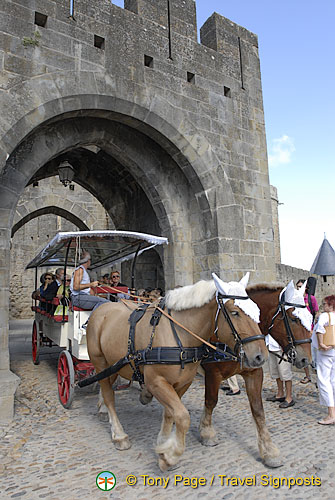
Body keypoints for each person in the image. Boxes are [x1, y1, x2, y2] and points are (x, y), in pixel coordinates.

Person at [313, 295, 335, 425]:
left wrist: (321, 343)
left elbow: (320, 329)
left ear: (331, 305)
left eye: (325, 304)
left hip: (326, 352)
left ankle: (331, 414)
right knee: (333, 380)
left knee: (324, 380)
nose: (324, 306)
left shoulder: (325, 316)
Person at [296, 279, 319, 384]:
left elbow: (316, 313)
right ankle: (307, 376)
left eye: (300, 286)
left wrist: (313, 328)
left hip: (310, 330)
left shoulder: (311, 298)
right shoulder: (296, 299)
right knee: (303, 353)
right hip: (300, 332)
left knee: (315, 354)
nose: (299, 288)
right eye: (297, 286)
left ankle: (318, 377)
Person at [265, 333, 295, 408]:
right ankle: (280, 393)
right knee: (276, 372)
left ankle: (289, 398)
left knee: (285, 373)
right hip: (271, 346)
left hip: (282, 348)